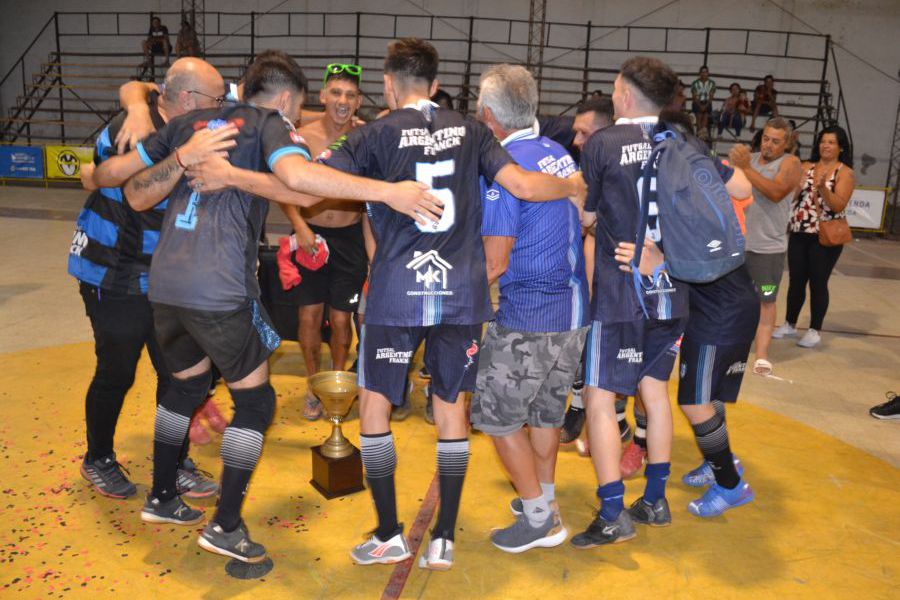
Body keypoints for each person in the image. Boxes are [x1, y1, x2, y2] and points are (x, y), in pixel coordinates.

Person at [92, 53, 443, 564]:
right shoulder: (271, 124)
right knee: (255, 404)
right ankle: (226, 526)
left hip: (166, 285)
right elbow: (299, 180)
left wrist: (193, 161)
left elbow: (135, 194)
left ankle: (163, 496)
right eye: (298, 107)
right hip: (219, 289)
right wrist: (388, 193)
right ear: (285, 100)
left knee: (186, 385)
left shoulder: (190, 123)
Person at [318, 37, 585, 570]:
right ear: (436, 86)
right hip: (460, 294)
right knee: (451, 410)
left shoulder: (373, 134)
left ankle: (390, 532)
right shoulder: (473, 131)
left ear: (388, 85)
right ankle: (443, 539)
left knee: (374, 405)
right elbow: (527, 188)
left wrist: (378, 189)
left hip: (397, 292)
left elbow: (314, 180)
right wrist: (573, 183)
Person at [70, 58, 219, 501]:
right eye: (214, 100)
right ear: (188, 99)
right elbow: (135, 194)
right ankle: (97, 458)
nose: (219, 108)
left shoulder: (185, 125)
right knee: (116, 372)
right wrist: (179, 154)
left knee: (177, 375)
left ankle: (172, 463)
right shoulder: (131, 128)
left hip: (164, 276)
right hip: (113, 271)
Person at [470, 64, 589, 553]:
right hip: (573, 311)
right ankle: (546, 500)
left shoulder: (504, 168)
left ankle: (539, 518)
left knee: (496, 417)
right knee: (544, 413)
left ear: (488, 115)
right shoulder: (557, 152)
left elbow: (494, 263)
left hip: (529, 315)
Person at [572, 56, 690, 549]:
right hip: (674, 290)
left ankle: (612, 512)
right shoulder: (683, 143)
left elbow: (587, 215)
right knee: (655, 392)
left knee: (601, 399)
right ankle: (656, 501)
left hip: (623, 295)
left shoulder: (604, 143)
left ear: (623, 94)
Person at [282, 62, 368, 420]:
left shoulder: (366, 137)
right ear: (322, 97)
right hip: (310, 233)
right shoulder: (301, 133)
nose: (342, 100)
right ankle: (312, 384)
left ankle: (337, 384)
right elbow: (282, 184)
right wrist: (299, 226)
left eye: (350, 94)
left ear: (359, 101)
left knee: (342, 319)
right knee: (309, 315)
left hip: (350, 238)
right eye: (336, 92)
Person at [728, 118, 803, 376]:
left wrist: (744, 167)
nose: (769, 145)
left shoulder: (791, 163)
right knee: (733, 299)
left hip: (767, 250)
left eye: (775, 141)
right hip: (737, 245)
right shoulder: (750, 160)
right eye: (766, 138)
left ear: (788, 142)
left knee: (766, 300)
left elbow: (776, 192)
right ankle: (730, 345)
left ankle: (761, 355)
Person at [775, 126, 855, 348]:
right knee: (796, 281)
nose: (825, 145)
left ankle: (814, 329)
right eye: (823, 141)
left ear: (840, 147)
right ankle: (790, 324)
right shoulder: (806, 166)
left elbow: (838, 205)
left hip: (825, 236)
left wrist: (822, 189)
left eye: (831, 142)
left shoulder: (845, 172)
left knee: (818, 282)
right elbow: (789, 199)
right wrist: (798, 189)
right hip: (800, 231)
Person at [690, 66, 716, 139]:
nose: (704, 74)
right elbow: (694, 96)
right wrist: (700, 105)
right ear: (700, 73)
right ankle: (700, 134)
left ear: (708, 73)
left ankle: (702, 134)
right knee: (699, 117)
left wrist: (706, 105)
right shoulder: (695, 83)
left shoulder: (712, 83)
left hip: (707, 102)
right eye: (702, 72)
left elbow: (711, 96)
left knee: (705, 117)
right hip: (697, 102)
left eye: (705, 72)